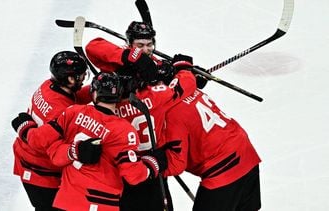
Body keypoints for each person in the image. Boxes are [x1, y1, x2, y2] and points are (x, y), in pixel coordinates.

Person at [11, 72, 166, 211]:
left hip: (66, 201)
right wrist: (153, 163)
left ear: (94, 93)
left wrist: (72, 150)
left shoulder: (73, 112)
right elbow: (133, 176)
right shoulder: (124, 130)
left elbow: (53, 153)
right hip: (102, 204)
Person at [85, 30, 197, 210]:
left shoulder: (104, 106)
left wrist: (134, 58)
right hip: (152, 167)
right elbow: (186, 85)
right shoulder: (156, 96)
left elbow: (93, 47)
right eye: (139, 46)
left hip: (121, 170)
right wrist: (183, 70)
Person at [11, 51, 92, 211]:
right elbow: (52, 147)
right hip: (40, 172)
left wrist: (96, 92)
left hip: (29, 160)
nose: (83, 79)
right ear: (70, 79)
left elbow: (73, 99)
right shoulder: (59, 112)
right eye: (81, 76)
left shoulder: (49, 86)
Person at [164, 83, 262, 210]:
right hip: (245, 152)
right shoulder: (189, 88)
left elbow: (177, 164)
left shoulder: (171, 113)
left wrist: (152, 165)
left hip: (223, 168)